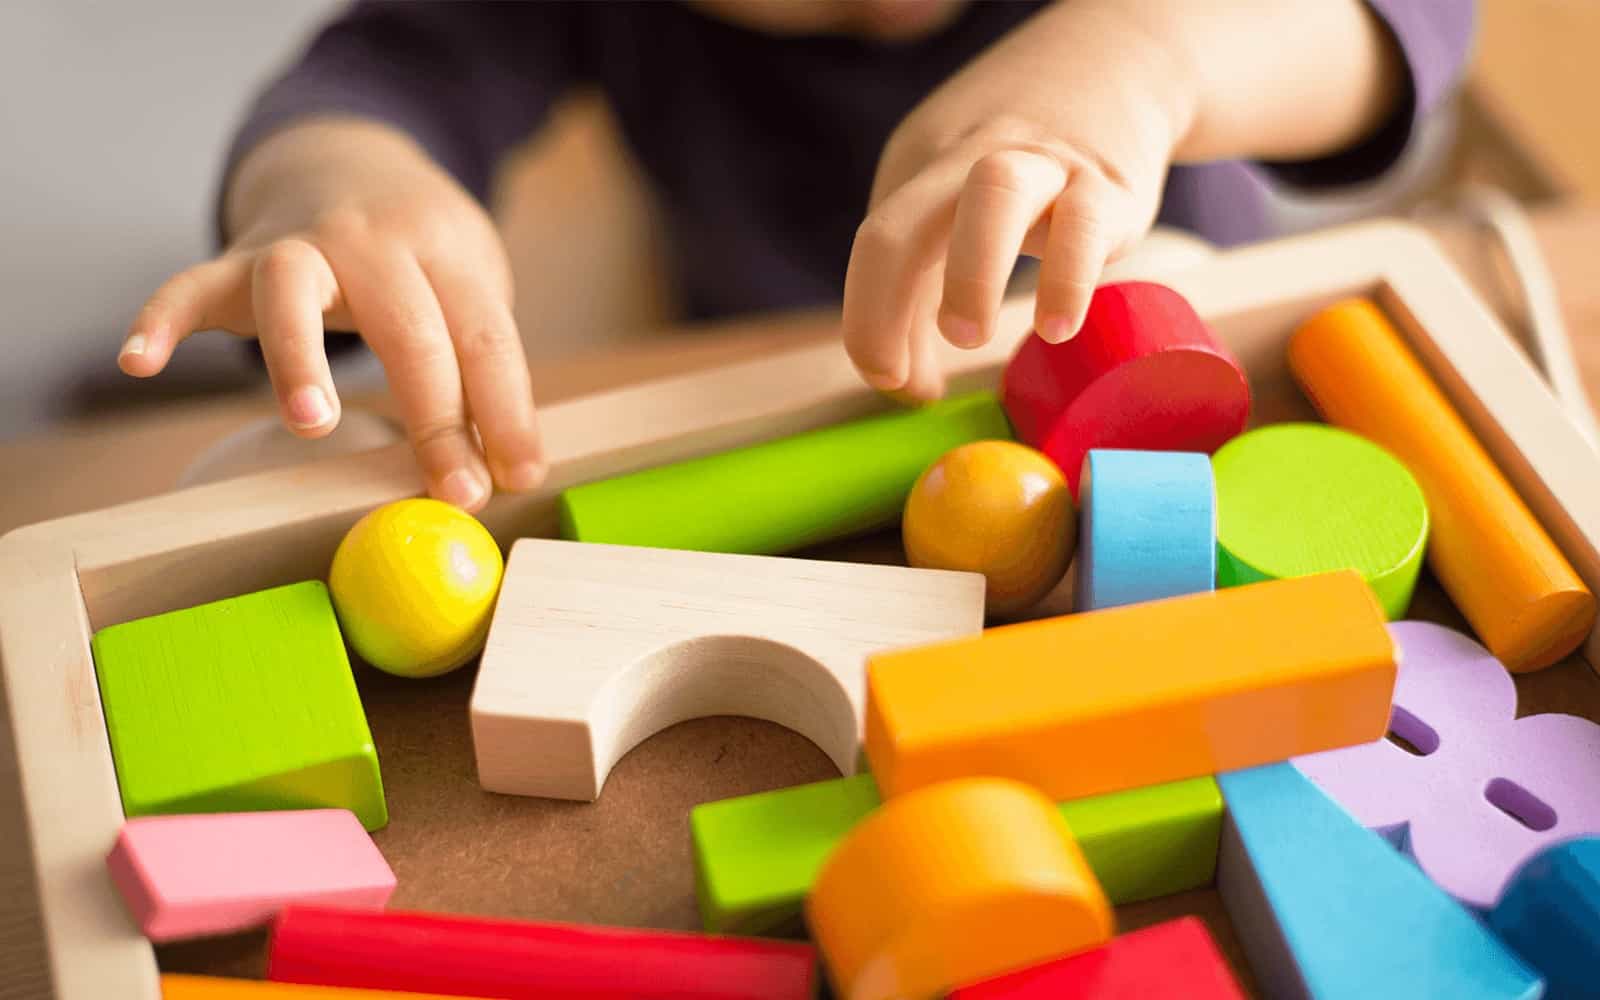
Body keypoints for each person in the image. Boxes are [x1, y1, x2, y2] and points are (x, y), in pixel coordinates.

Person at [118, 0, 1474, 511]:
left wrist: (1158, 53)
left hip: (1179, 371)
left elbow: (1402, 27)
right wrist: (339, 189)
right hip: (772, 355)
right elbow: (381, 71)